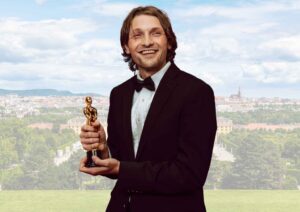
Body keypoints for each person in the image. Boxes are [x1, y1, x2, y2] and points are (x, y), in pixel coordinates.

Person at [79, 5, 217, 212]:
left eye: (155, 33)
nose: (147, 42)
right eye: (137, 35)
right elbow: (120, 163)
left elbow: (190, 175)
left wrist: (121, 169)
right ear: (126, 46)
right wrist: (103, 149)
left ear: (169, 41)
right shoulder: (119, 94)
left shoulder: (197, 92)